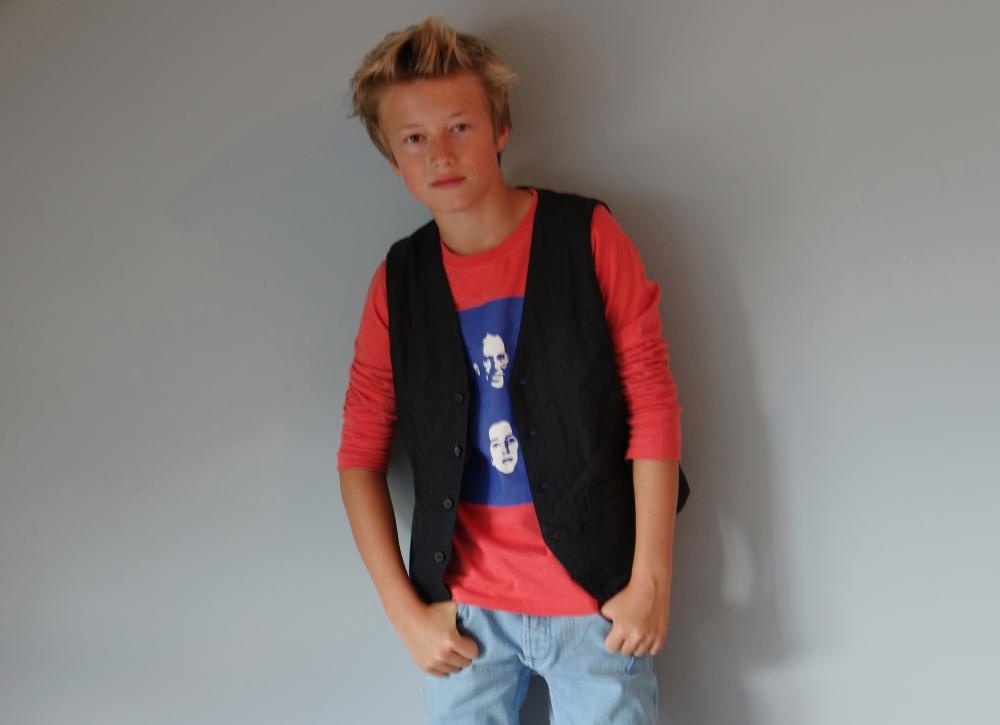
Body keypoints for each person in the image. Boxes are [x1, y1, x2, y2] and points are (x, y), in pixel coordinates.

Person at [338, 17, 686, 724]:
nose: (440, 153)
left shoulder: (587, 237)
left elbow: (651, 401)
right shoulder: (398, 283)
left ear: (500, 128)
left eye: (459, 126)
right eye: (414, 138)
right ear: (393, 160)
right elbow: (359, 455)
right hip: (464, 614)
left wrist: (650, 578)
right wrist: (405, 612)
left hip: (596, 599)